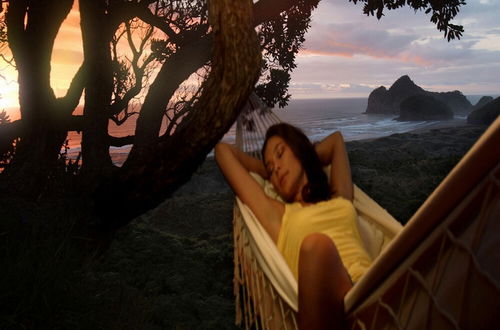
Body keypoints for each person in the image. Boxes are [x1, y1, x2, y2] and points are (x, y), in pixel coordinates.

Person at [215, 123, 372, 329]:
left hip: (373, 290)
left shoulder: (341, 198)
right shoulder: (278, 215)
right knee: (316, 246)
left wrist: (306, 155)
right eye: (270, 168)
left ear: (300, 151)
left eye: (280, 154)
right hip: (332, 310)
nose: (276, 167)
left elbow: (336, 141)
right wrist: (266, 170)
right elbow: (222, 151)